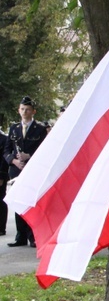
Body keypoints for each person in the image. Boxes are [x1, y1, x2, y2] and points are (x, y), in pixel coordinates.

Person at [3, 96, 48, 247]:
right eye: (22, 109)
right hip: (16, 170)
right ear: (18, 110)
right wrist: (13, 160)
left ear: (33, 112)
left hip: (32, 170)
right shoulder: (14, 128)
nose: (24, 112)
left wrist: (29, 156)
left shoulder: (40, 129)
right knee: (18, 202)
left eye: (27, 109)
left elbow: (45, 150)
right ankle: (20, 236)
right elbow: (7, 150)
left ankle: (32, 236)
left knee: (31, 202)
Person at [0, 130, 9, 236]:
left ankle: (1, 227)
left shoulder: (3, 139)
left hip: (0, 174)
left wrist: (1, 176)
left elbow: (4, 160)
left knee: (1, 200)